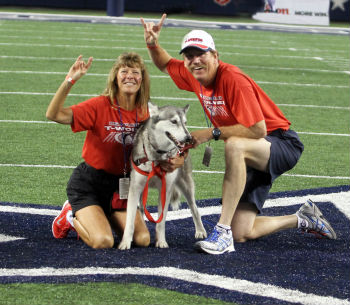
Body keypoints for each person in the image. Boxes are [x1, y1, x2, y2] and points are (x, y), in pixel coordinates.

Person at [140, 14, 337, 255]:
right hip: (253, 152)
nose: (195, 60)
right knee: (243, 231)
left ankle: (222, 233)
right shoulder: (194, 74)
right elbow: (164, 64)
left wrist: (210, 133)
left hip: (280, 143)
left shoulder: (233, 79)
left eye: (201, 54)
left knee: (234, 145)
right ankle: (303, 218)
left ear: (215, 55)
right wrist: (152, 44)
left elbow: (258, 130)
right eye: (189, 56)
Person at [48, 52, 184, 249]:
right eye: (124, 71)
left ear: (142, 80)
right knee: (103, 241)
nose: (130, 76)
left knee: (142, 240)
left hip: (122, 188)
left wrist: (178, 158)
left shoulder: (149, 112)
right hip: (90, 184)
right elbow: (53, 114)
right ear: (115, 77)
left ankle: (100, 216)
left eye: (135, 72)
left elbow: (174, 143)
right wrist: (70, 80)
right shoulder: (99, 105)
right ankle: (70, 215)